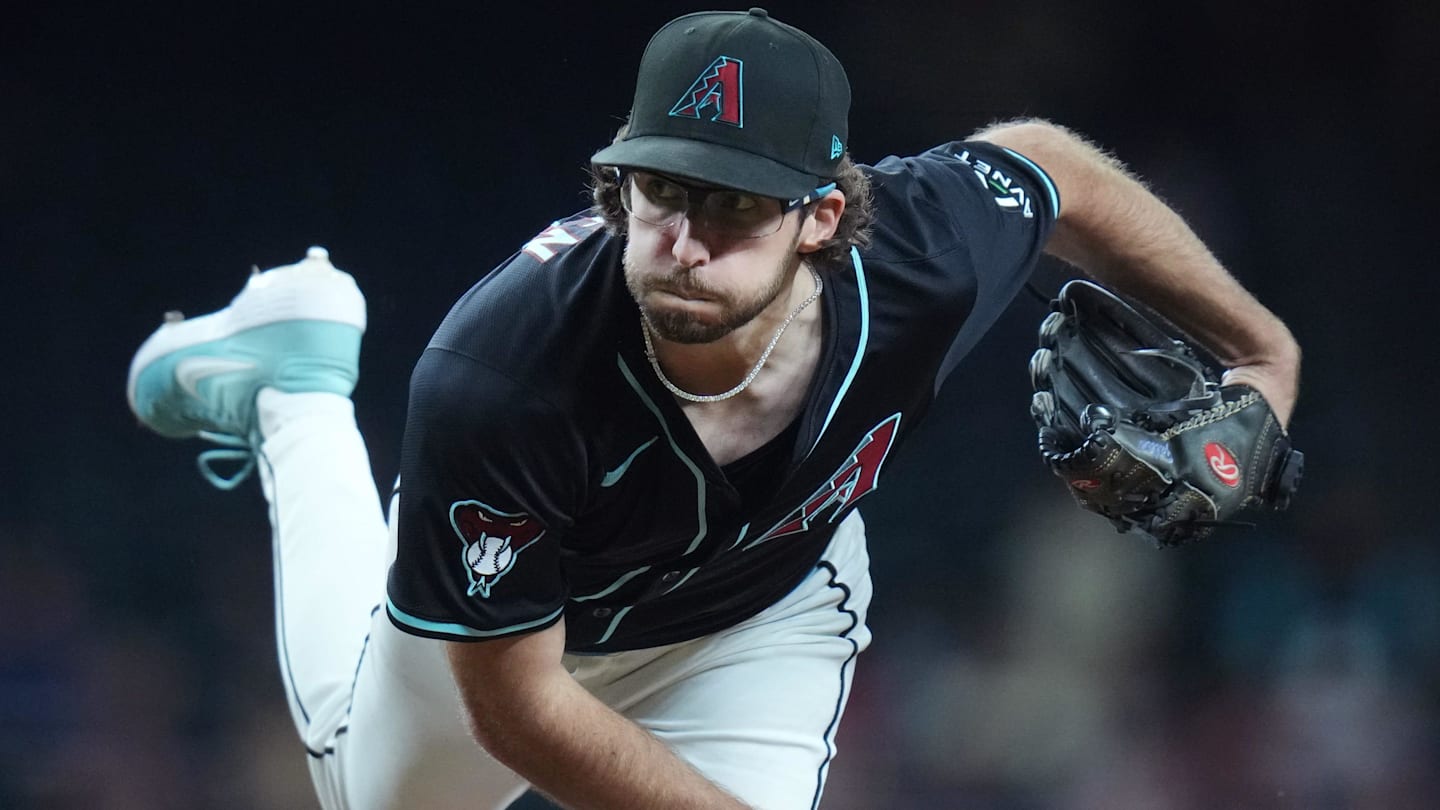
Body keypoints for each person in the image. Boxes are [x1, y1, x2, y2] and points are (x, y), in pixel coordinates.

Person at [127, 8, 1300, 810]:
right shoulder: (501, 375)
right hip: (528, 636)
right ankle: (295, 386)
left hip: (760, 611)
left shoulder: (921, 257)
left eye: (733, 205)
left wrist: (1262, 351)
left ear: (823, 218)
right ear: (617, 187)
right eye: (661, 193)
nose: (683, 243)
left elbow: (1053, 167)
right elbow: (522, 707)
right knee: (365, 791)